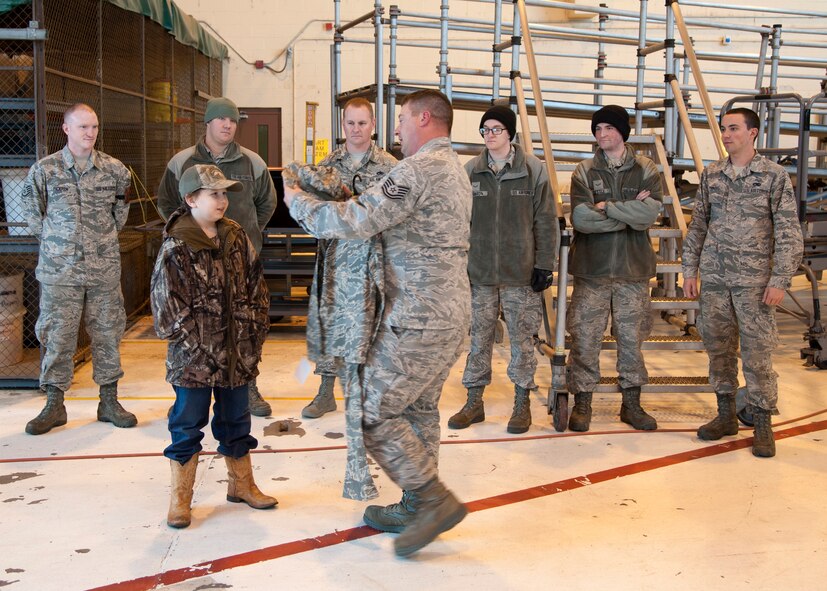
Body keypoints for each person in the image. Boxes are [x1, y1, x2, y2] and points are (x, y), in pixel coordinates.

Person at [283, 89, 471, 557]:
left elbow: (358, 218)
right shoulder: (456, 169)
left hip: (418, 316)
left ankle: (431, 500)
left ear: (424, 118)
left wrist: (298, 204)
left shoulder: (417, 169)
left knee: (369, 409)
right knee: (418, 408)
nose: (397, 129)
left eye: (403, 119)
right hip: (449, 312)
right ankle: (414, 502)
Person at [151, 164, 276, 529]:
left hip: (237, 354)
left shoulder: (235, 236)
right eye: (213, 194)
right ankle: (180, 498)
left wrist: (253, 333)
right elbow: (167, 311)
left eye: (224, 194)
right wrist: (199, 350)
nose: (222, 201)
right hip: (195, 361)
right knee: (188, 423)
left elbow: (257, 289)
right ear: (191, 199)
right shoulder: (177, 246)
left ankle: (242, 484)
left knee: (236, 419)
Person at [682, 107, 803, 458]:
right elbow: (699, 226)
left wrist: (780, 278)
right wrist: (690, 270)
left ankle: (763, 422)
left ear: (752, 133)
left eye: (733, 128)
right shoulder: (713, 174)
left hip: (756, 283)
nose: (726, 134)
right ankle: (725, 416)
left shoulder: (773, 176)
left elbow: (788, 232)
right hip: (716, 279)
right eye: (723, 129)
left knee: (758, 354)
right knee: (719, 350)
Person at [20, 103, 137, 435]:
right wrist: (60, 242)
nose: (90, 133)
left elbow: (120, 213)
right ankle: (54, 404)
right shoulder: (45, 170)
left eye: (95, 127)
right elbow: (33, 214)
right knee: (57, 334)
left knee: (108, 332)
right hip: (60, 272)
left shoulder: (116, 170)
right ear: (66, 129)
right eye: (83, 127)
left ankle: (109, 401)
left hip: (103, 270)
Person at [157, 97, 277, 417]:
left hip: (239, 261)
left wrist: (245, 235)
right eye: (222, 119)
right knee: (196, 327)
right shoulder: (181, 161)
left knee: (242, 325)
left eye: (233, 120)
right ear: (208, 123)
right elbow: (167, 202)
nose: (228, 125)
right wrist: (191, 234)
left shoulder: (252, 162)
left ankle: (247, 387)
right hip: (195, 264)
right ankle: (189, 392)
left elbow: (266, 204)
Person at [449, 105, 557, 434]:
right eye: (485, 130)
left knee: (522, 342)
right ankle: (474, 401)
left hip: (519, 274)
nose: (490, 135)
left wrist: (543, 264)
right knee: (478, 340)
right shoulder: (470, 171)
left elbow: (545, 220)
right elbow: (458, 222)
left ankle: (522, 403)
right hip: (479, 274)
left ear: (510, 133)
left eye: (496, 129)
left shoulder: (532, 171)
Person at [566, 105, 663, 432]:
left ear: (622, 131)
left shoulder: (646, 168)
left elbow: (649, 216)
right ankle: (582, 403)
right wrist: (627, 213)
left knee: (631, 340)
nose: (601, 134)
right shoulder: (584, 171)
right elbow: (580, 219)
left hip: (632, 271)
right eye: (598, 129)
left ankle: (631, 404)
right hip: (592, 270)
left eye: (608, 128)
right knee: (584, 339)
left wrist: (606, 207)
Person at [301, 97, 397, 420]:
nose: (356, 130)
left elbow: (398, 213)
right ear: (343, 126)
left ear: (373, 125)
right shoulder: (328, 164)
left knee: (375, 327)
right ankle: (326, 391)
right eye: (350, 123)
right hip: (335, 258)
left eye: (362, 123)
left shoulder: (389, 166)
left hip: (373, 260)